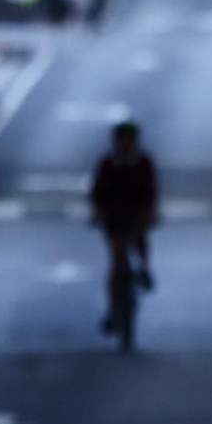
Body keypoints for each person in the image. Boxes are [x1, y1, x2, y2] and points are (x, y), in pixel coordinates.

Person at [89, 122, 158, 332]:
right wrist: (97, 212)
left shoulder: (143, 162)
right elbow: (96, 192)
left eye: (130, 138)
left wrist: (150, 212)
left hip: (136, 214)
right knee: (117, 260)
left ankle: (144, 267)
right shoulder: (108, 163)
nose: (126, 143)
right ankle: (113, 308)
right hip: (114, 216)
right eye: (123, 138)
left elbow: (152, 190)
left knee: (141, 237)